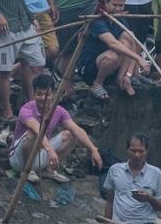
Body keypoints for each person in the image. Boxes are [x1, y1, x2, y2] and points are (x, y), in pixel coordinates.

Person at [10, 73, 102, 204]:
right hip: (20, 159)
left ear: (53, 94)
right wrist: (49, 150)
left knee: (70, 134)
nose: (43, 98)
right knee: (32, 133)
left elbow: (76, 129)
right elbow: (37, 129)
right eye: (39, 94)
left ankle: (49, 170)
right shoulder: (27, 109)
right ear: (34, 94)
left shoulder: (59, 111)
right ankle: (28, 170)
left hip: (40, 153)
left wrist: (93, 149)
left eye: (47, 94)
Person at [81, 0, 152, 98]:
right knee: (113, 55)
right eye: (114, 5)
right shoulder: (97, 19)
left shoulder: (119, 18)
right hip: (92, 69)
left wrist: (127, 74)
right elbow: (112, 44)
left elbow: (131, 41)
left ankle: (120, 78)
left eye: (121, 5)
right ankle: (97, 84)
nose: (118, 9)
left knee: (128, 37)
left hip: (112, 69)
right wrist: (139, 58)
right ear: (105, 2)